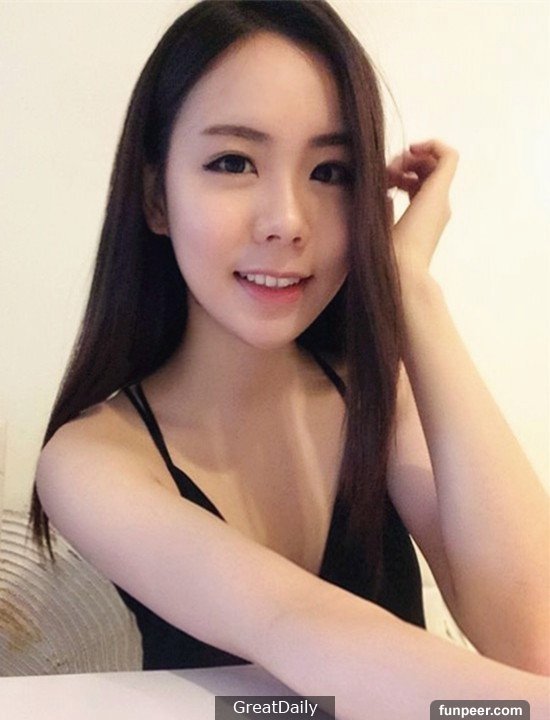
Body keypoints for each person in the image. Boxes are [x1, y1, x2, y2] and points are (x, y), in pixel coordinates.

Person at [30, 1, 549, 717]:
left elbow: (533, 643)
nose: (288, 221)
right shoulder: (92, 461)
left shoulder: (378, 398)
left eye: (331, 172)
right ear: (155, 197)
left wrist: (409, 291)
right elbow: (299, 629)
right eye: (233, 162)